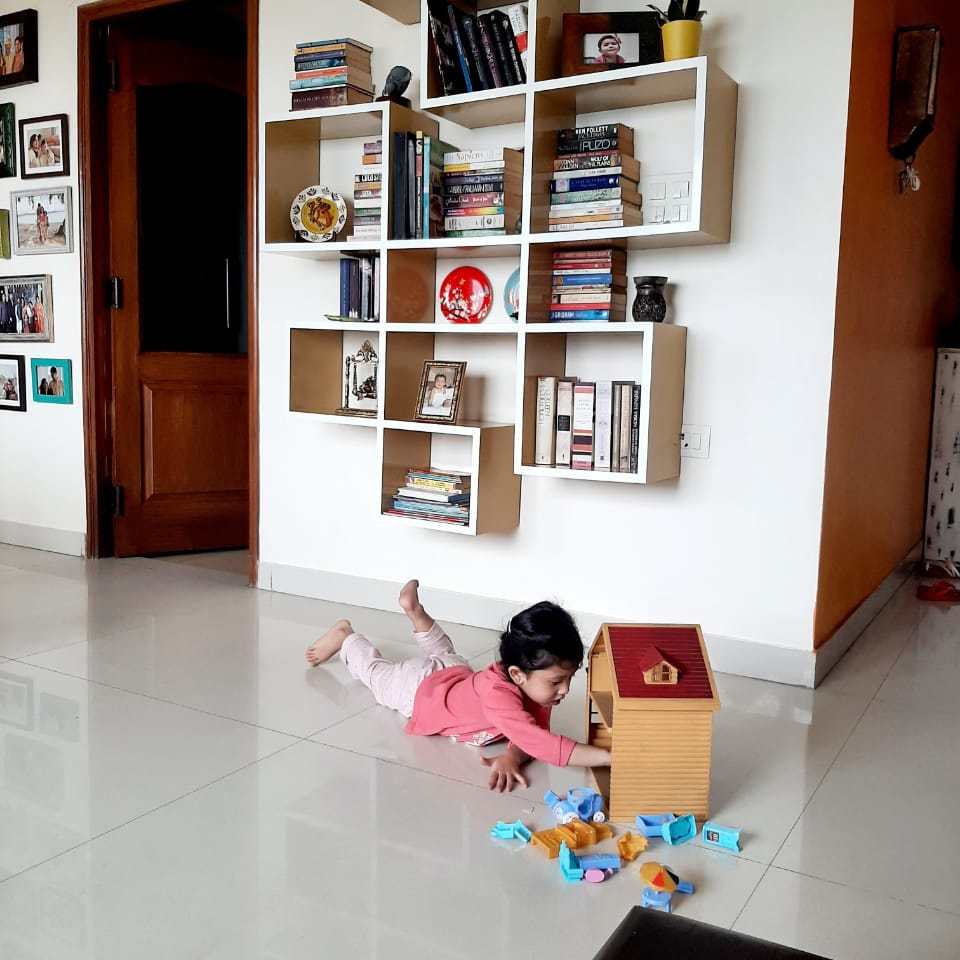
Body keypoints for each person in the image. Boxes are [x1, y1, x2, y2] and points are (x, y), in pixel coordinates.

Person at [305, 580, 612, 791]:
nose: (565, 690)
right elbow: (542, 744)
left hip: (456, 673)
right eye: (557, 681)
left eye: (569, 678)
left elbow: (529, 735)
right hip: (419, 689)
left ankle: (415, 612)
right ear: (518, 675)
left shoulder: (532, 685)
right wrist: (608, 756)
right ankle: (346, 638)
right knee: (376, 676)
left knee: (444, 653)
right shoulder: (500, 697)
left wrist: (512, 756)